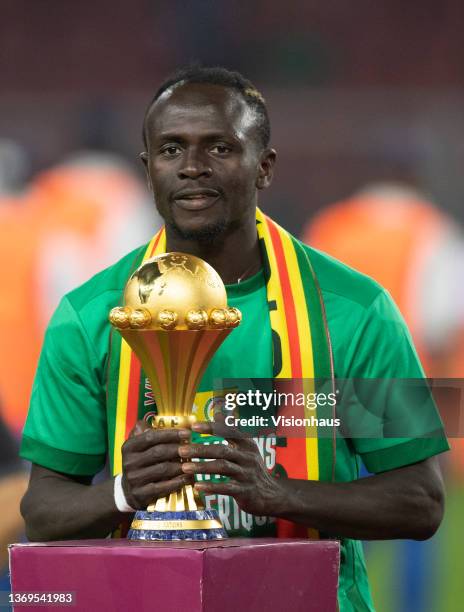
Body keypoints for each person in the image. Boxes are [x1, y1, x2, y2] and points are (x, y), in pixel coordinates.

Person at [20, 66, 448, 612]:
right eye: (171, 150)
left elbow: (421, 502)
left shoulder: (355, 311)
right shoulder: (89, 315)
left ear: (264, 167)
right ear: (148, 169)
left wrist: (278, 494)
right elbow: (43, 510)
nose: (193, 167)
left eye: (219, 148)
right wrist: (125, 491)